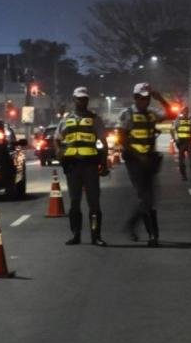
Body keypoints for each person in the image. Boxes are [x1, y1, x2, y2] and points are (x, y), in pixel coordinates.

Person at [117, 82, 176, 247]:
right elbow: (122, 138)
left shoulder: (151, 114)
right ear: (135, 98)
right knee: (145, 197)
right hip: (134, 160)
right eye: (142, 98)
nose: (146, 101)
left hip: (150, 159)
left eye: (148, 98)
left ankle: (132, 225)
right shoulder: (127, 114)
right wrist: (138, 155)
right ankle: (153, 235)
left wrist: (161, 99)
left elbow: (171, 114)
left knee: (149, 198)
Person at [55, 86, 110, 247]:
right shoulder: (66, 119)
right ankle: (76, 234)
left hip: (90, 165)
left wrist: (104, 163)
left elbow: (104, 142)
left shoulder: (95, 119)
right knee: (74, 202)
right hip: (72, 166)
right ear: (74, 100)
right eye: (79, 99)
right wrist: (59, 152)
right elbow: (57, 138)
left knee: (94, 203)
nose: (82, 101)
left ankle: (96, 236)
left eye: (85, 98)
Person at [170, 107, 191, 181]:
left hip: (189, 142)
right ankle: (184, 176)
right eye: (185, 112)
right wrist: (176, 139)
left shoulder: (189, 120)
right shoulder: (178, 120)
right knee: (181, 161)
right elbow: (172, 130)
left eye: (187, 112)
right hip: (181, 143)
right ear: (182, 112)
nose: (186, 113)